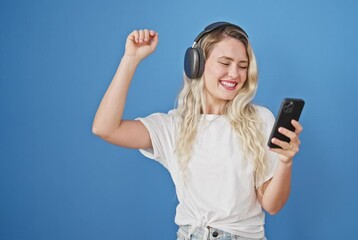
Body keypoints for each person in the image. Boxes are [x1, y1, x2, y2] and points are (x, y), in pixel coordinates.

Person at [92, 22, 303, 240]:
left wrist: (286, 162)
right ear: (197, 65)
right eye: (225, 63)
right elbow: (105, 128)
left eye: (242, 65)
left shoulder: (259, 120)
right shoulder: (174, 126)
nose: (234, 74)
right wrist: (130, 59)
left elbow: (272, 205)